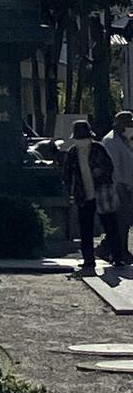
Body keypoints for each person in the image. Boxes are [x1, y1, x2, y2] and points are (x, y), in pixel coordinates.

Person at [62, 120, 124, 272]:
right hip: (83, 195)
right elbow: (67, 174)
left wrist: (99, 172)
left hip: (102, 193)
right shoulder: (72, 153)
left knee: (111, 226)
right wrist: (70, 191)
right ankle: (88, 259)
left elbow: (109, 167)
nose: (82, 142)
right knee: (85, 229)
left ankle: (117, 257)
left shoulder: (99, 149)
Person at [101, 110, 133, 265]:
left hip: (126, 186)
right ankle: (113, 250)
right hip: (118, 186)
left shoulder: (124, 140)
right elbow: (113, 167)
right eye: (128, 123)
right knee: (120, 221)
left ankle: (120, 249)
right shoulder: (111, 141)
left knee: (125, 222)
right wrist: (121, 187)